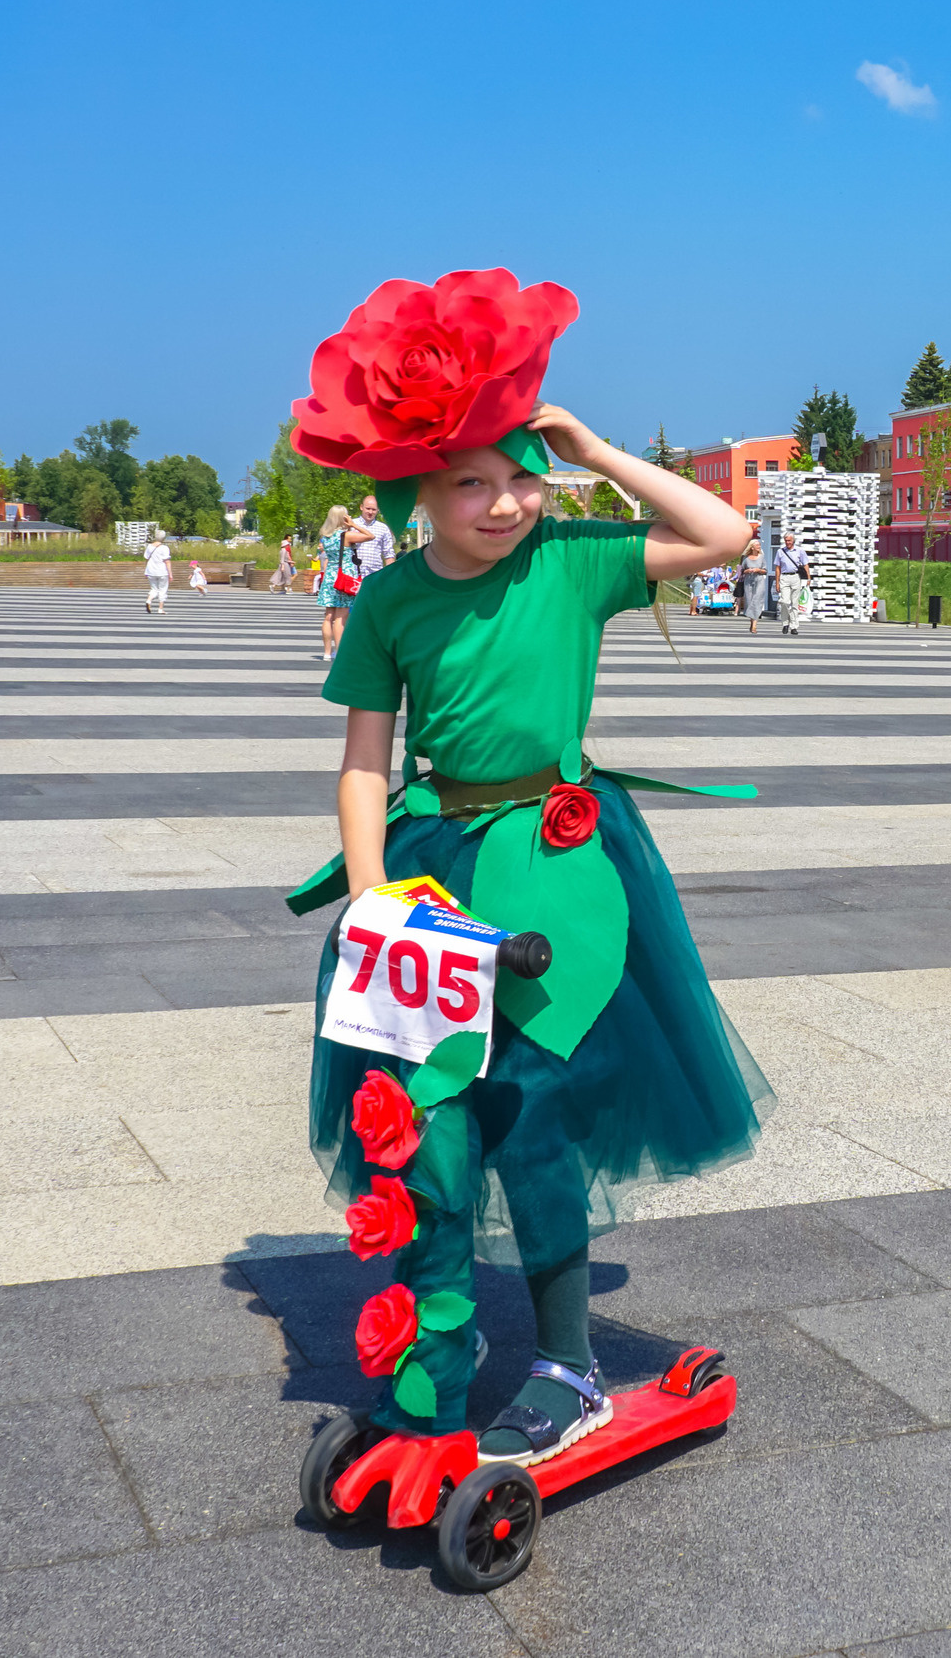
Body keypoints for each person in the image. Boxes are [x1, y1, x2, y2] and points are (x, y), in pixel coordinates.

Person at [299, 272, 763, 1467]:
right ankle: (432, 1358)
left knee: (535, 1110)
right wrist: (369, 894)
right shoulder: (390, 601)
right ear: (417, 491)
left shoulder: (570, 561)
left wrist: (599, 452)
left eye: (520, 477)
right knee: (427, 1120)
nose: (503, 503)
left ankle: (570, 1366)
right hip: (431, 873)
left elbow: (725, 536)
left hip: (561, 866)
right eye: (472, 482)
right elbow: (362, 764)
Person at [314, 506, 357, 660]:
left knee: (328, 616)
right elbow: (370, 536)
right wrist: (353, 525)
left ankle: (326, 652)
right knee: (341, 616)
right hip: (343, 576)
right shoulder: (346, 535)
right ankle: (339, 651)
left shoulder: (325, 536)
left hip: (330, 575)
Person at [774, 532, 811, 634]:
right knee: (785, 601)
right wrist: (777, 582)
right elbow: (777, 568)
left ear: (793, 541)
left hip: (796, 577)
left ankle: (794, 626)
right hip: (784, 577)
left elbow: (805, 565)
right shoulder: (780, 552)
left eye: (789, 540)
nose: (787, 542)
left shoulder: (800, 551)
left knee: (794, 603)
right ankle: (785, 623)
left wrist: (808, 578)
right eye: (786, 541)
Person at [736, 536, 769, 634]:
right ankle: (752, 622)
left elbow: (765, 571)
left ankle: (754, 625)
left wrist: (758, 570)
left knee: (757, 600)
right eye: (757, 545)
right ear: (752, 547)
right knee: (750, 602)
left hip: (759, 581)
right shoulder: (745, 558)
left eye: (759, 545)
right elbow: (741, 570)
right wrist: (748, 570)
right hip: (748, 581)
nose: (759, 546)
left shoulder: (762, 557)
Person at [144, 535, 173, 612]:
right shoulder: (164, 548)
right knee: (162, 590)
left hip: (150, 571)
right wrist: (170, 574)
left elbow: (146, 559)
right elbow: (167, 561)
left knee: (154, 589)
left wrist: (146, 571)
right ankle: (160, 608)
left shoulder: (149, 547)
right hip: (162, 571)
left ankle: (149, 600)